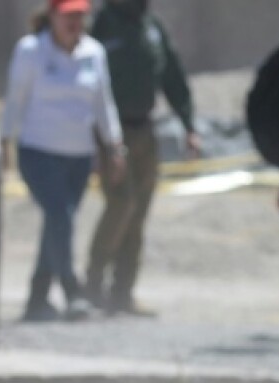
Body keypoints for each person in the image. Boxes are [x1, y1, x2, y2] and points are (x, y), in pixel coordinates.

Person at [1, 0, 125, 323]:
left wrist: (114, 146)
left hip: (79, 157)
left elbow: (103, 103)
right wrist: (4, 140)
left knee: (57, 224)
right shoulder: (31, 51)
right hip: (38, 152)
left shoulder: (93, 53)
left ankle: (37, 298)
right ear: (52, 15)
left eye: (79, 15)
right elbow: (15, 98)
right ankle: (73, 291)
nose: (74, 22)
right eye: (68, 15)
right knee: (61, 216)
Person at [84, 0, 198, 317]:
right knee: (121, 204)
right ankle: (92, 286)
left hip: (146, 129)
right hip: (111, 132)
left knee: (139, 211)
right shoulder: (103, 23)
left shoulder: (151, 27)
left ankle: (122, 292)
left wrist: (188, 123)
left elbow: (172, 74)